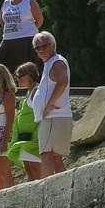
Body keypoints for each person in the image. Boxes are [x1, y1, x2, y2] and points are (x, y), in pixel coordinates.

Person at [30, 31, 72, 175]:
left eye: (44, 46)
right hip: (57, 116)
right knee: (55, 157)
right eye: (37, 47)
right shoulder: (51, 62)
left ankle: (45, 191)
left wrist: (49, 104)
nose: (41, 50)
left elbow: (62, 82)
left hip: (53, 116)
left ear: (53, 45)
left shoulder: (56, 62)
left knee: (46, 154)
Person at [0, 0, 44, 69]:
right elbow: (2, 21)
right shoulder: (6, 3)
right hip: (8, 39)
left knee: (27, 67)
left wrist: (29, 30)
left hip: (27, 39)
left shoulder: (29, 0)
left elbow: (39, 19)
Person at [5, 61, 43, 181]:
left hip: (34, 139)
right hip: (25, 139)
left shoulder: (37, 91)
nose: (18, 80)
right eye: (17, 77)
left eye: (21, 76)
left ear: (30, 75)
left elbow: (41, 114)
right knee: (29, 170)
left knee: (36, 169)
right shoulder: (29, 92)